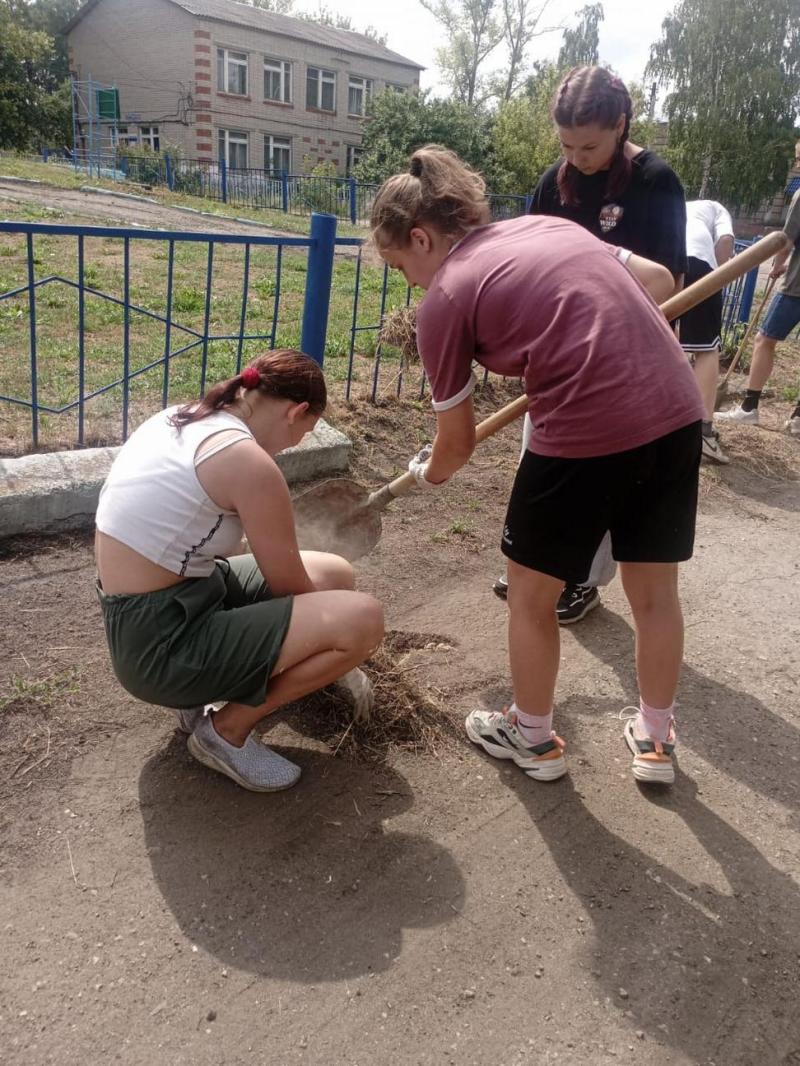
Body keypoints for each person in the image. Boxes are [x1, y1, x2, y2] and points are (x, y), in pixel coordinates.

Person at [372, 145, 705, 786]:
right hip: (674, 409)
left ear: (421, 237)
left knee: (531, 597)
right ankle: (656, 741)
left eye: (399, 264)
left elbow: (457, 444)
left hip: (584, 429)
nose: (408, 282)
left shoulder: (445, 298)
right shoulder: (549, 226)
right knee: (655, 594)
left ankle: (532, 739)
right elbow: (661, 283)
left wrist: (426, 473)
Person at [94, 350, 385, 792]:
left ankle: (200, 695)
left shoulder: (185, 417)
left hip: (168, 606)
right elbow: (294, 588)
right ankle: (224, 732)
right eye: (303, 433)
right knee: (362, 620)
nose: (294, 445)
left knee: (335, 574)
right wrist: (344, 656)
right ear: (297, 411)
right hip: (162, 647)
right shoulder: (248, 462)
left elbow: (193, 536)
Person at [493, 65, 688, 623]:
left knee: (604, 478)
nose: (577, 157)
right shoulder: (554, 182)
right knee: (543, 463)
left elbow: (668, 280)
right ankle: (538, 567)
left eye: (590, 145)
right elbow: (526, 261)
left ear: (621, 126)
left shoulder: (655, 181)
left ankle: (579, 580)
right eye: (566, 144)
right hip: (556, 358)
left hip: (625, 363)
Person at [716, 159, 800, 437]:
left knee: (765, 339)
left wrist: (778, 265)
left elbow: (785, 240)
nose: (797, 164)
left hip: (796, 289)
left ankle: (749, 407)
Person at [679, 199, 736, 463]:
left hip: (662, 262)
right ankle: (702, 433)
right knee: (707, 350)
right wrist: (722, 273)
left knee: (663, 341)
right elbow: (725, 241)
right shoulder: (716, 207)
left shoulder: (679, 206)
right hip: (699, 262)